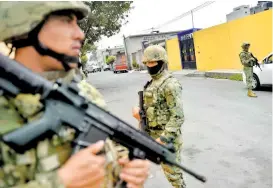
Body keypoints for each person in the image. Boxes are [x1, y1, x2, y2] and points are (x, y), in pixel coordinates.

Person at [0, 2, 150, 188]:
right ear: (25, 26)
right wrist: (60, 182)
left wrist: (128, 176)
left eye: (77, 24)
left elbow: (108, 148)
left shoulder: (85, 91)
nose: (80, 34)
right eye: (65, 21)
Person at [132, 45, 186, 188]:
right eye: (147, 63)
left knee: (173, 175)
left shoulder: (170, 84)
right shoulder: (153, 82)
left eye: (153, 63)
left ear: (162, 62)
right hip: (150, 134)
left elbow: (178, 116)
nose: (150, 66)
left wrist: (163, 139)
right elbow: (153, 108)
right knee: (134, 168)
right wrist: (139, 114)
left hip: (166, 138)